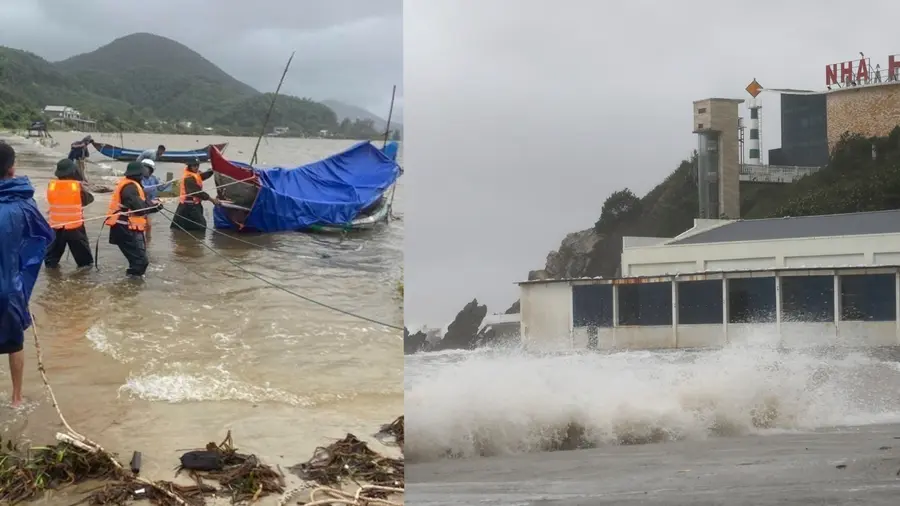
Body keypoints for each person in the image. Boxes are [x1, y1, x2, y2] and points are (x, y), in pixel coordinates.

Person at [0, 141, 54, 407]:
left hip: (8, 285)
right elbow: (43, 237)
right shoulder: (24, 205)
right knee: (14, 343)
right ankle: (17, 398)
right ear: (11, 169)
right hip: (9, 289)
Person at [105, 161, 163, 277]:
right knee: (140, 262)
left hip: (129, 227)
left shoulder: (134, 185)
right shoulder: (130, 187)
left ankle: (132, 285)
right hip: (124, 228)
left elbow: (143, 203)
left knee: (138, 261)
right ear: (139, 174)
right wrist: (154, 207)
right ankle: (131, 287)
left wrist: (155, 205)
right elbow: (140, 209)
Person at [44, 159, 95, 269]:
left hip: (56, 227)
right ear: (72, 171)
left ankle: (53, 280)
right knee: (85, 263)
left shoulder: (51, 185)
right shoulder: (76, 186)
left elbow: (51, 200)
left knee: (51, 262)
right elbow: (88, 199)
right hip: (75, 227)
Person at [171, 159, 219, 231]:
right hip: (187, 207)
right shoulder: (188, 178)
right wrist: (212, 200)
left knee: (187, 227)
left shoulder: (195, 174)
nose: (196, 167)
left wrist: (212, 170)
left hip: (195, 205)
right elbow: (197, 192)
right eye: (194, 166)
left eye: (197, 165)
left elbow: (203, 176)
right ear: (190, 166)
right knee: (201, 226)